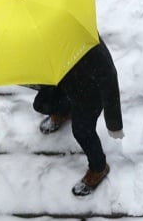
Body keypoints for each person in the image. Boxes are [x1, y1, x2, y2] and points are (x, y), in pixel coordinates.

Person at [31, 36, 124, 196]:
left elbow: (110, 86)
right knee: (41, 103)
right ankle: (63, 112)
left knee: (82, 131)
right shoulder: (41, 36)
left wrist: (114, 124)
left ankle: (99, 168)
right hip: (62, 81)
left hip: (89, 98)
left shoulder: (92, 49)